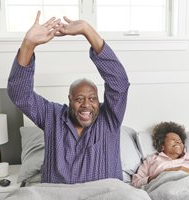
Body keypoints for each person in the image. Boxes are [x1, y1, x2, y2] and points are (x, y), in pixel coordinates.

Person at [7, 11, 130, 184]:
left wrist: (86, 30)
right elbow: (20, 94)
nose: (86, 105)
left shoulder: (110, 118)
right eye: (79, 99)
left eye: (92, 99)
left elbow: (120, 83)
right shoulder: (52, 116)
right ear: (70, 100)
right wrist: (28, 45)